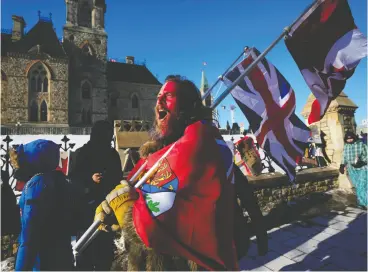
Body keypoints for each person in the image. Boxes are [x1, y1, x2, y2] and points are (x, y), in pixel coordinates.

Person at [92, 75, 266, 270]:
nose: (158, 101)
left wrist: (128, 214)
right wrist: (113, 207)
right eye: (158, 96)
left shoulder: (205, 149)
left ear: (185, 108)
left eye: (168, 96)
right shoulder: (157, 153)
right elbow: (138, 189)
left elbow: (173, 214)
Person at [10, 139, 74, 271]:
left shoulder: (36, 187)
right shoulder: (60, 180)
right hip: (62, 256)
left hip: (42, 261)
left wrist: (21, 268)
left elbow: (30, 236)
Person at [71, 120, 123, 271]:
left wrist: (108, 179)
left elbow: (118, 177)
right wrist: (90, 179)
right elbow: (74, 180)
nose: (109, 138)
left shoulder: (112, 154)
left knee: (105, 252)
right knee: (85, 250)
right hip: (87, 210)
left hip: (107, 208)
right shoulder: (83, 153)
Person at [340, 131, 367, 207]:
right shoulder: (346, 146)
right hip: (352, 169)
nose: (349, 140)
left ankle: (365, 202)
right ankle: (361, 201)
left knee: (362, 185)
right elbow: (344, 157)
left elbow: (367, 155)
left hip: (362, 168)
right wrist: (342, 165)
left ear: (354, 138)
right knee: (357, 186)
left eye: (351, 138)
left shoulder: (361, 144)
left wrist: (362, 162)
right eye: (348, 139)